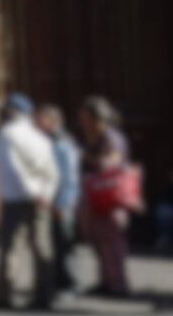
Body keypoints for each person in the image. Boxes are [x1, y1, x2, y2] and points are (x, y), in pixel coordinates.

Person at [0, 93, 59, 310]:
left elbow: (13, 168)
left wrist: (31, 192)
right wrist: (45, 195)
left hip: (17, 198)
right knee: (42, 247)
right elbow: (52, 172)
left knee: (11, 247)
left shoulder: (7, 134)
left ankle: (4, 295)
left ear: (12, 111)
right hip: (41, 200)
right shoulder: (40, 137)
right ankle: (45, 295)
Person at [77, 95, 132, 297]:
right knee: (98, 239)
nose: (82, 122)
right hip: (95, 195)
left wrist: (85, 157)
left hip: (110, 197)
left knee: (112, 241)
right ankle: (106, 280)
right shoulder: (92, 137)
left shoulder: (112, 138)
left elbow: (110, 164)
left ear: (97, 118)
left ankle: (118, 284)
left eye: (85, 117)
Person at [35, 102, 81, 299]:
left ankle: (68, 285)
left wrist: (63, 203)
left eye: (41, 118)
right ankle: (59, 283)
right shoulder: (49, 140)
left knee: (64, 246)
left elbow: (70, 177)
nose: (36, 122)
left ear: (53, 121)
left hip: (61, 204)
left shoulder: (62, 142)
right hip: (52, 202)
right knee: (56, 245)